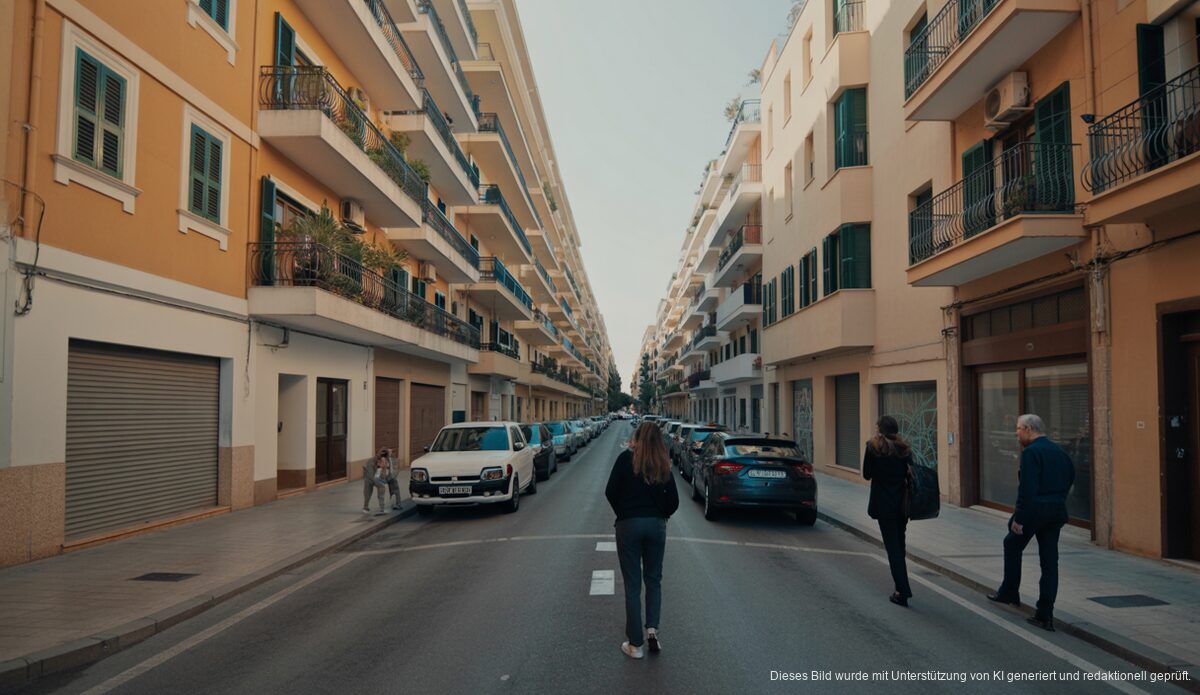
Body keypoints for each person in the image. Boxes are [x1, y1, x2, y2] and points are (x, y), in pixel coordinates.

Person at [987, 414, 1074, 631]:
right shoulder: (1060, 452)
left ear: (1028, 428)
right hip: (1057, 511)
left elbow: (1027, 490)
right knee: (1049, 563)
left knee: (1012, 543)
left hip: (1035, 511)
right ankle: (1045, 614)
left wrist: (1019, 519)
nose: (1016, 433)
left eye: (1018, 428)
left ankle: (1009, 592)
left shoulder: (1031, 453)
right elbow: (1070, 478)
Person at [605, 421, 679, 659]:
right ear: (659, 441)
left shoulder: (625, 460)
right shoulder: (662, 463)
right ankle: (652, 630)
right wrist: (661, 514)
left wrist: (624, 513)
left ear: (636, 437)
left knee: (633, 585)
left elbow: (610, 491)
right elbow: (674, 500)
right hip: (656, 526)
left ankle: (635, 645)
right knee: (654, 579)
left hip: (629, 525)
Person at [862, 415, 914, 607]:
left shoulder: (872, 447)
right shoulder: (905, 449)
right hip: (902, 505)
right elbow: (911, 473)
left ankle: (902, 592)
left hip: (884, 506)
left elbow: (867, 474)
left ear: (880, 429)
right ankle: (902, 586)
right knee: (899, 546)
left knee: (893, 549)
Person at [361, 450, 388, 516]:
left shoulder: (383, 461)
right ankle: (366, 507)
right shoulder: (371, 461)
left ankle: (382, 508)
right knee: (367, 493)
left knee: (381, 491)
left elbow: (384, 473)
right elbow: (369, 473)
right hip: (369, 479)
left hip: (376, 479)